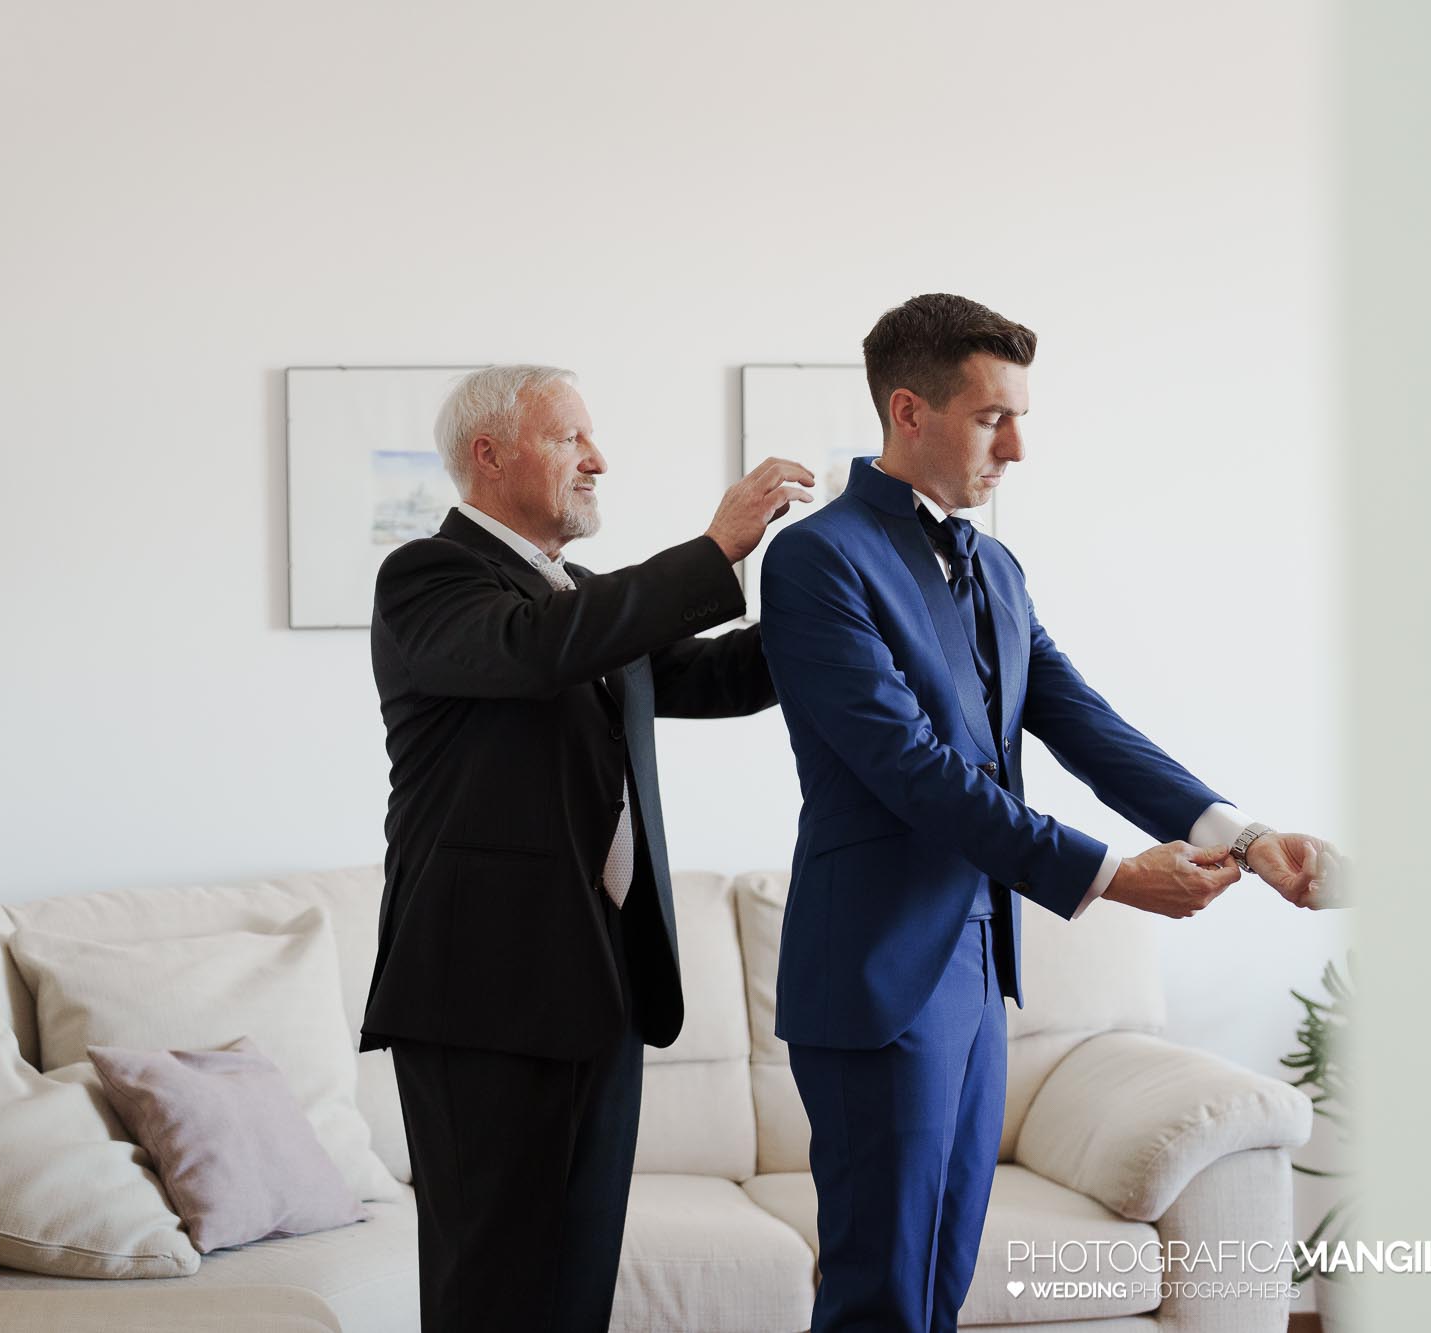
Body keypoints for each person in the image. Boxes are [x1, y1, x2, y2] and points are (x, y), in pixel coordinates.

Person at [759, 293, 1337, 1333]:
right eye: (992, 418)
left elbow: (1082, 724)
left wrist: (1243, 840)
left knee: (939, 1280)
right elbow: (912, 769)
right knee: (878, 1292)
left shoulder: (993, 566)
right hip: (874, 978)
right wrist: (1111, 877)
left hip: (981, 976)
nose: (1017, 447)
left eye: (1019, 416)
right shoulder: (817, 560)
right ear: (907, 411)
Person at [360, 364, 812, 1332]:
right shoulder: (425, 579)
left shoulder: (590, 601)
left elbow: (721, 674)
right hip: (479, 999)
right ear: (488, 454)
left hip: (601, 987)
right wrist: (711, 549)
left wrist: (839, 589)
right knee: (490, 1293)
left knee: (573, 1290)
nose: (597, 459)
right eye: (571, 438)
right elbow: (536, 648)